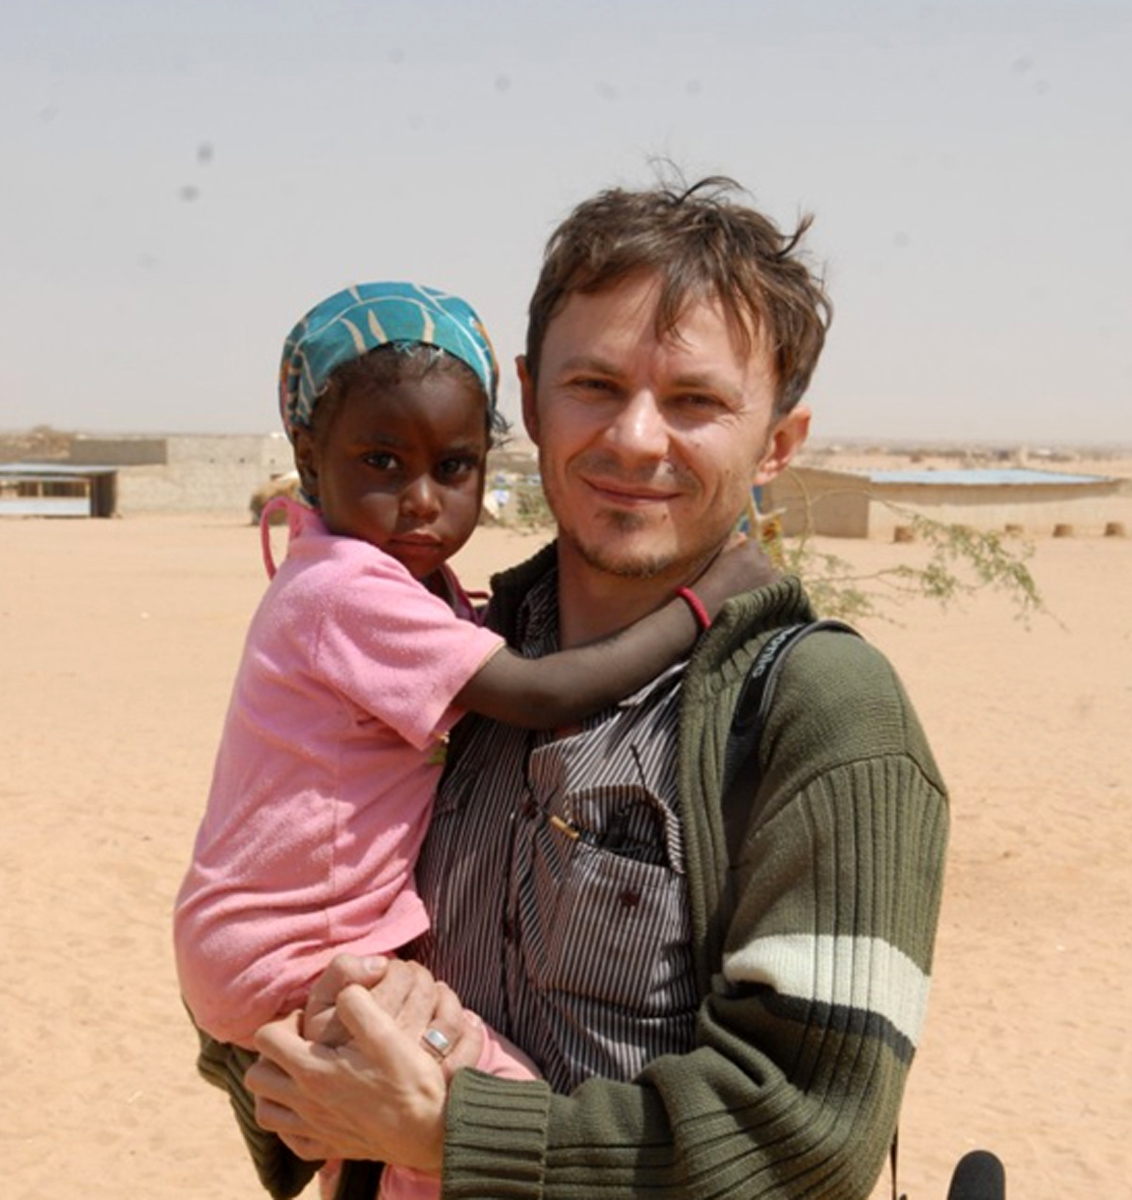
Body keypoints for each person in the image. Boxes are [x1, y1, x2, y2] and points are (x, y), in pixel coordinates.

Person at [246, 178, 950, 1200]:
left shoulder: (823, 712)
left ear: (779, 442)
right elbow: (295, 952)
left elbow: (808, 1136)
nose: (635, 438)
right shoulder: (455, 664)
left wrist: (451, 1132)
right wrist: (302, 1048)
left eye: (697, 401)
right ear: (530, 403)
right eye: (596, 385)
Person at [173, 281, 771, 1200]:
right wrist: (707, 599)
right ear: (307, 456)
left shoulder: (391, 583)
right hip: (291, 947)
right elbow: (541, 691)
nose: (422, 501)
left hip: (268, 938)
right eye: (382, 462)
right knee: (491, 1105)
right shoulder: (345, 590)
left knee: (384, 1125)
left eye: (453, 468)